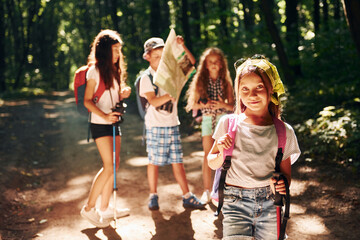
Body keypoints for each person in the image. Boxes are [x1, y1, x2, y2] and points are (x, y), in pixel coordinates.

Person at [207, 55, 301, 239]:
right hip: (235, 203)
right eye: (245, 89)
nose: (252, 95)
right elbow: (212, 162)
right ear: (238, 92)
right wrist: (220, 149)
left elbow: (286, 177)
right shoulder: (228, 124)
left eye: (259, 87)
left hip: (270, 204)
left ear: (271, 88)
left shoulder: (283, 131)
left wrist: (282, 184)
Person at [139, 36, 205, 210]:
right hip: (155, 125)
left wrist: (181, 46)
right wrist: (169, 95)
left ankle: (187, 196)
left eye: (163, 56)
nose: (160, 60)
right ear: (147, 57)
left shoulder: (173, 71)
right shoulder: (146, 77)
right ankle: (153, 195)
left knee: (178, 162)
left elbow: (191, 63)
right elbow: (152, 101)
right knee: (153, 162)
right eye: (156, 57)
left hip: (172, 124)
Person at [80, 29, 131, 228]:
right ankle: (89, 208)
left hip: (114, 123)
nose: (118, 54)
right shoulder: (95, 70)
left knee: (114, 166)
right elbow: (87, 101)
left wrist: (123, 92)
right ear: (104, 50)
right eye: (115, 50)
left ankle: (105, 208)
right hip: (100, 124)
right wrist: (104, 116)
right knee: (109, 166)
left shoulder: (115, 71)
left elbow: (112, 96)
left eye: (119, 50)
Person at [185, 47, 234, 204]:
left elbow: (233, 107)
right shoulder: (200, 81)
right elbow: (191, 105)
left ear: (221, 64)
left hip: (222, 119)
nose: (213, 65)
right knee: (208, 155)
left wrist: (221, 104)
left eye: (216, 62)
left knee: (223, 155)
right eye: (210, 62)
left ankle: (220, 190)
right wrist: (203, 104)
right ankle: (206, 191)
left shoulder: (226, 82)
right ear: (205, 65)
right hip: (207, 119)